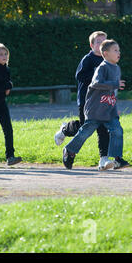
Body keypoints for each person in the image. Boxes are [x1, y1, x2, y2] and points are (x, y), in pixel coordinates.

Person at [62, 39, 130, 170]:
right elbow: (96, 83)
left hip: (108, 111)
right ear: (105, 53)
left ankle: (117, 159)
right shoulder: (102, 68)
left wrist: (114, 109)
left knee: (117, 130)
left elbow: (112, 94)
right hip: (95, 110)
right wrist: (114, 84)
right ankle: (69, 150)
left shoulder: (116, 68)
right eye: (115, 50)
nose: (119, 52)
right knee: (85, 133)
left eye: (119, 50)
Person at [54, 31, 110, 168]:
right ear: (92, 45)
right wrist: (97, 76)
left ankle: (104, 159)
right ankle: (65, 130)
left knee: (103, 129)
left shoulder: (108, 61)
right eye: (98, 42)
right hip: (87, 101)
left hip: (102, 101)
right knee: (85, 128)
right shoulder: (88, 59)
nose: (102, 44)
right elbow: (80, 76)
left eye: (104, 42)